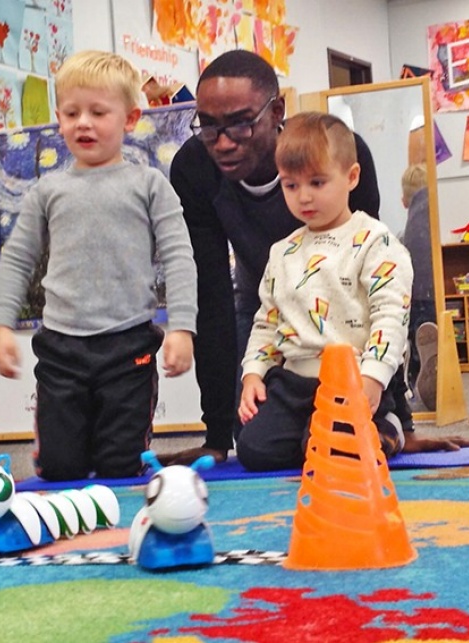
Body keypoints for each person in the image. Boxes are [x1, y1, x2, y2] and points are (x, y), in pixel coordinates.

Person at [162, 50, 393, 465]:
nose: (223, 142)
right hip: (260, 297)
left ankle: (387, 422)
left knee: (339, 431)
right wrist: (216, 437)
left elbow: (374, 289)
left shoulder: (337, 154)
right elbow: (211, 294)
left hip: (339, 297)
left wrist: (400, 412)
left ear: (276, 111)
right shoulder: (194, 167)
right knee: (252, 437)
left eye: (241, 124)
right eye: (209, 126)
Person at [0, 51, 197, 480]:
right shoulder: (48, 190)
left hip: (128, 346)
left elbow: (179, 254)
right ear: (59, 119)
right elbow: (18, 257)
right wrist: (2, 326)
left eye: (98, 113)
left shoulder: (149, 184)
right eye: (71, 113)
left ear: (130, 118)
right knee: (60, 467)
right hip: (62, 347)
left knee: (119, 465)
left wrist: (182, 327)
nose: (83, 123)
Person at [234, 112, 414, 470]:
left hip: (353, 378)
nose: (304, 197)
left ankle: (387, 424)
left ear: (352, 177)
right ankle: (315, 436)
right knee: (253, 448)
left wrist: (374, 377)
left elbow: (391, 316)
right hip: (293, 382)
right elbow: (266, 322)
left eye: (317, 182)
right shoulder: (282, 252)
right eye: (291, 185)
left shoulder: (375, 241)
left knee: (336, 447)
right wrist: (253, 372)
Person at [398, 163, 438, 410]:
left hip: (415, 293)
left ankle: (416, 387)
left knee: (415, 342)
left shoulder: (410, 228)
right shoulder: (431, 216)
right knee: (433, 339)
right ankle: (436, 377)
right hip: (435, 291)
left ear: (404, 201)